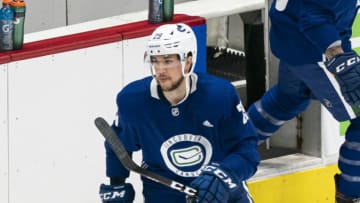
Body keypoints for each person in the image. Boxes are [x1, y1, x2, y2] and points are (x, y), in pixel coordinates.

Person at [99, 23, 260, 203]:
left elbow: (248, 151)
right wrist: (116, 184)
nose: (160, 70)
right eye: (155, 61)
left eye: (168, 61)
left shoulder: (220, 96)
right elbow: (118, 145)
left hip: (222, 196)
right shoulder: (133, 101)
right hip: (164, 197)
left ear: (188, 61)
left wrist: (222, 175)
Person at [247, 0, 360, 202]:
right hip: (316, 51)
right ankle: (351, 195)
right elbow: (314, 14)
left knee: (288, 98)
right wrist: (338, 58)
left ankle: (225, 146)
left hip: (292, 38)